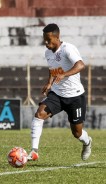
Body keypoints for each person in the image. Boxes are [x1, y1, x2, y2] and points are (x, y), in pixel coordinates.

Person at [27, 23, 92, 161]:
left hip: (75, 96)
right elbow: (52, 69)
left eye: (48, 40)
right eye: (44, 39)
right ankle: (34, 151)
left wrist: (65, 74)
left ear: (57, 37)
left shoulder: (68, 49)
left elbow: (80, 65)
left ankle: (87, 142)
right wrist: (49, 83)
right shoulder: (47, 52)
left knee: (77, 133)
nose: (45, 42)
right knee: (39, 114)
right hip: (57, 94)